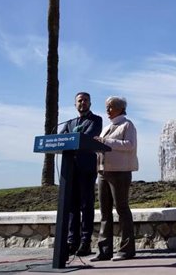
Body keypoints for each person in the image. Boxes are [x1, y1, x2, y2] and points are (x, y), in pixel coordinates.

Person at [90, 96, 139, 262]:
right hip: (103, 172)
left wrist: (106, 141)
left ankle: (126, 250)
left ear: (120, 108)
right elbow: (103, 145)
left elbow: (130, 145)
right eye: (106, 107)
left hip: (120, 172)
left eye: (110, 107)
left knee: (122, 209)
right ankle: (104, 251)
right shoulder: (106, 127)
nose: (107, 110)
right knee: (104, 212)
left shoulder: (127, 125)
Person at [59, 92, 102, 257]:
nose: (82, 103)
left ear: (90, 103)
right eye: (79, 100)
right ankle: (72, 241)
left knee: (86, 205)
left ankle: (85, 242)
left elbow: (87, 137)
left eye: (85, 100)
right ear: (75, 104)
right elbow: (61, 138)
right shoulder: (69, 123)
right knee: (72, 207)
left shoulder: (96, 120)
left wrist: (72, 138)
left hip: (86, 168)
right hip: (70, 169)